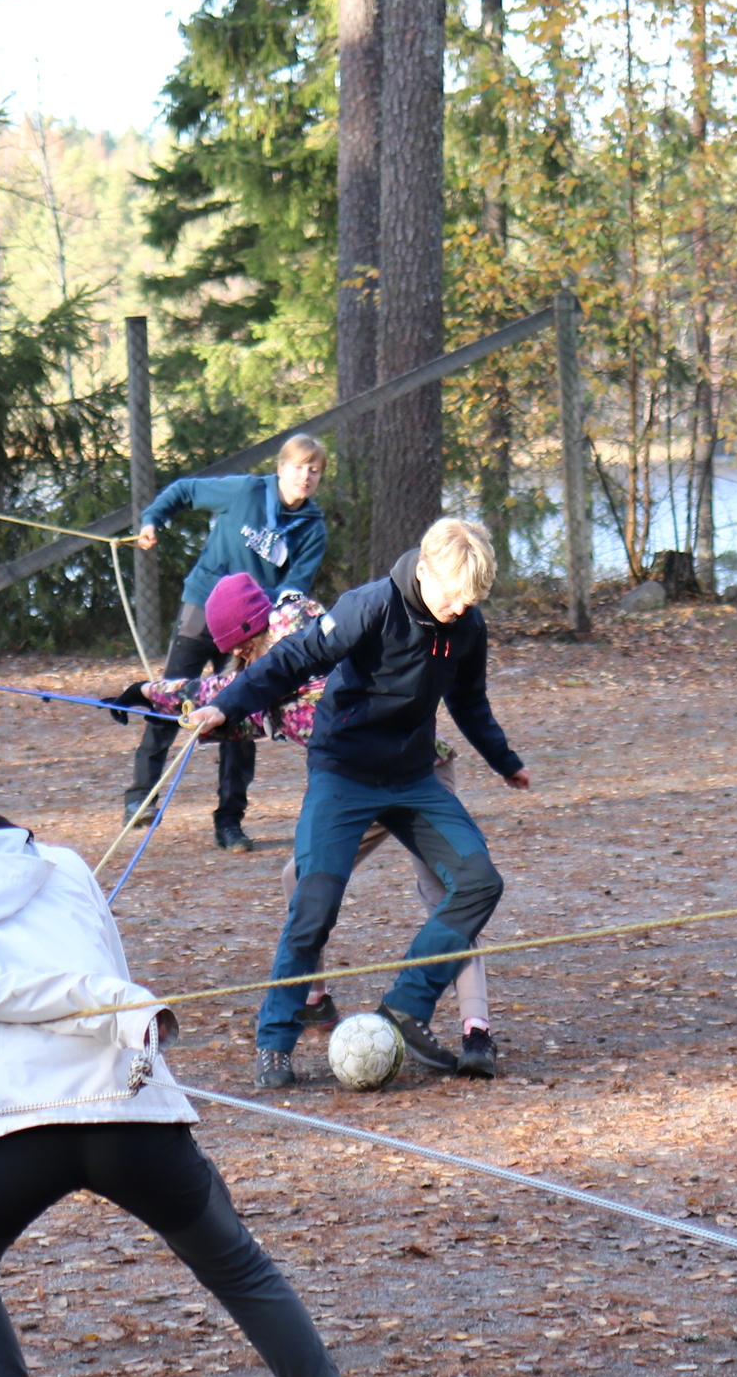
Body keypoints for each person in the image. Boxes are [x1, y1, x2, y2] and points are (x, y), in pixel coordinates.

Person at [0, 747, 393, 1377]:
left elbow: (37, 985)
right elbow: (12, 989)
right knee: (237, 1267)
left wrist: (117, 1006)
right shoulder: (52, 870)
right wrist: (115, 1005)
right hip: (122, 1113)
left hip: (23, 1131)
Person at [185, 517, 528, 1089]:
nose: (459, 608)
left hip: (413, 778)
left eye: (470, 600)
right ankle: (275, 1039)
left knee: (479, 881)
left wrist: (504, 758)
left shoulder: (466, 624)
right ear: (425, 570)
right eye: (453, 596)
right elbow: (292, 658)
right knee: (314, 902)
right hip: (343, 774)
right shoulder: (370, 606)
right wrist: (228, 704)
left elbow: (469, 700)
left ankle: (406, 1006)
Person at [129, 574, 497, 1076]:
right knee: (302, 883)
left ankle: (475, 1029)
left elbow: (236, 688)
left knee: (452, 894)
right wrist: (152, 697)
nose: (240, 658)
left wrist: (151, 693)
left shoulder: (307, 644)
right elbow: (232, 699)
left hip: (420, 773)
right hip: (350, 782)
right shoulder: (273, 666)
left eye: (242, 647)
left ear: (255, 631)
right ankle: (312, 999)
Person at [125, 434, 330, 850]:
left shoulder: (312, 529)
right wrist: (152, 520)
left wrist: (258, 611)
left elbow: (294, 588)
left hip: (252, 629)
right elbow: (185, 491)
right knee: (171, 693)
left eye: (314, 470)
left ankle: (229, 821)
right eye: (297, 467)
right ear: (280, 468)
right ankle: (141, 797)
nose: (305, 476)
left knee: (240, 711)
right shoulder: (246, 492)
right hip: (202, 608)